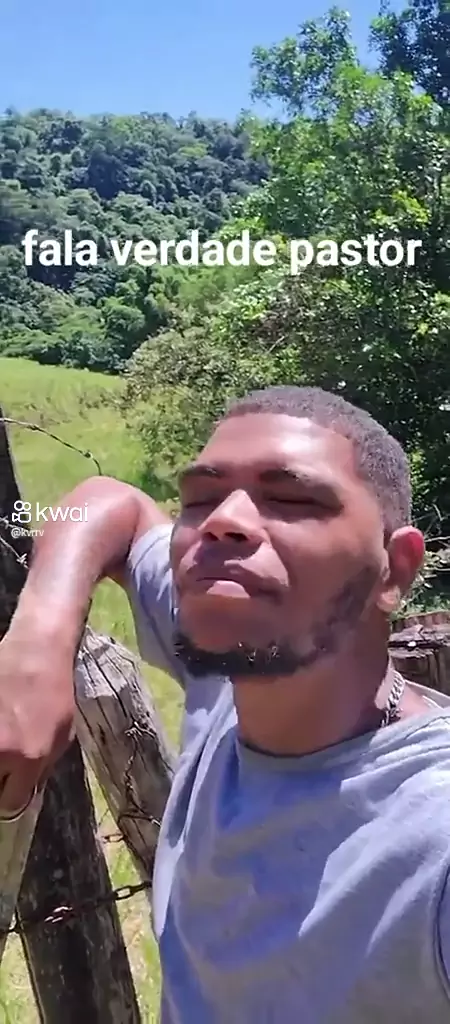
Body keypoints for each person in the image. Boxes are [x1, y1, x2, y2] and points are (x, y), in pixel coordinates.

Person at [0, 384, 450, 1022]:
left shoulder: (431, 835)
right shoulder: (237, 674)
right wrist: (39, 638)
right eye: (200, 499)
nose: (222, 520)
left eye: (292, 499)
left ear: (394, 569)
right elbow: (109, 503)